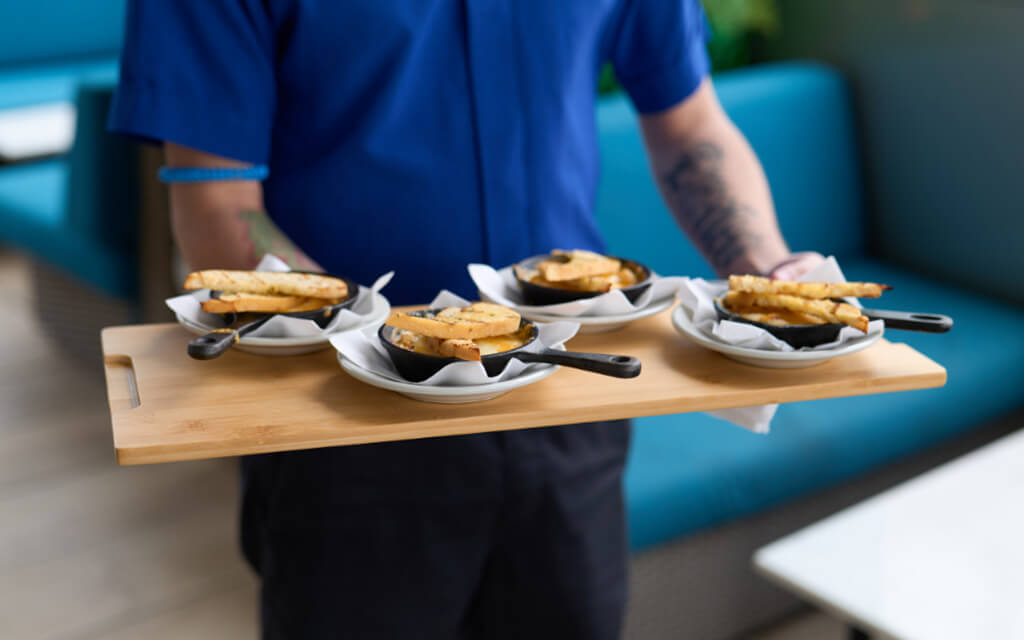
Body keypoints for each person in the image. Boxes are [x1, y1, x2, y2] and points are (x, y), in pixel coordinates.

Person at [110, 2, 822, 638]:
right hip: (345, 424)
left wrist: (767, 273)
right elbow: (216, 198)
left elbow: (688, 124)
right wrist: (371, 337)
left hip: (566, 396)